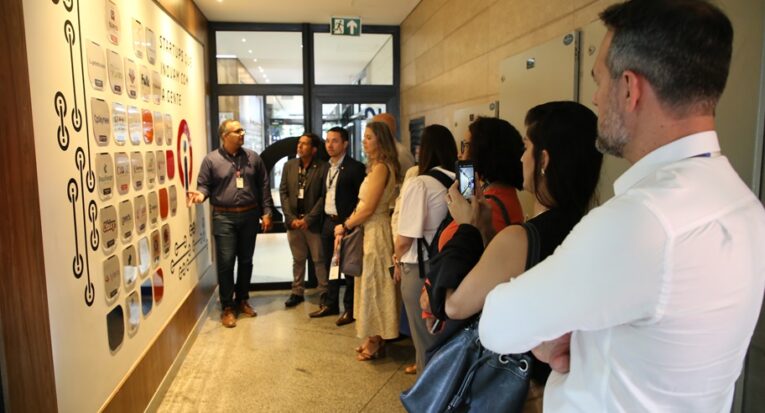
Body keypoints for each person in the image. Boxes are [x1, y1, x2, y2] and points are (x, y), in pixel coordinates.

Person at [479, 1, 765, 411]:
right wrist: (578, 333)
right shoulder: (746, 207)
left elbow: (498, 324)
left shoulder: (641, 221)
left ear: (630, 88)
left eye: (599, 80)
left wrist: (552, 333)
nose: (596, 98)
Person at [422, 102, 603, 406]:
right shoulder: (591, 227)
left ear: (543, 160)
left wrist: (466, 228)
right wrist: (485, 232)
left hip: (516, 389)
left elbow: (453, 305)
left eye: (527, 147)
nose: (521, 157)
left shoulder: (521, 237)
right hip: (567, 387)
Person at [187, 119, 274, 328]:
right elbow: (204, 185)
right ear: (224, 136)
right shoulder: (211, 160)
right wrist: (200, 195)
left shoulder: (253, 158)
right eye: (237, 131)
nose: (242, 133)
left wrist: (267, 212)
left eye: (242, 130)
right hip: (223, 217)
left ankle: (242, 299)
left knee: (246, 260)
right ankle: (227, 306)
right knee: (226, 262)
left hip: (249, 215)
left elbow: (263, 186)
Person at [334, 121, 401, 361]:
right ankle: (374, 335)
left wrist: (345, 225)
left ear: (381, 141)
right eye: (364, 137)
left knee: (375, 285)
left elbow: (369, 207)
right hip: (370, 229)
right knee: (370, 284)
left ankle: (376, 339)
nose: (364, 141)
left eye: (369, 137)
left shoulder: (382, 168)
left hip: (376, 231)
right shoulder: (376, 167)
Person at [393, 124, 458, 375]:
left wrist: (396, 258)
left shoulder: (419, 183)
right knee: (445, 338)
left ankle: (427, 390)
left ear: (424, 150)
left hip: (420, 268)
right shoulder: (460, 181)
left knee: (425, 341)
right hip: (452, 265)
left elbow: (405, 238)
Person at [437, 116, 525, 251]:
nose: (459, 154)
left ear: (483, 151)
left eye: (465, 145)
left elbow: (454, 248)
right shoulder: (506, 194)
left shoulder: (487, 208)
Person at [308, 127, 365, 325]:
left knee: (348, 269)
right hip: (327, 222)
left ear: (345, 144)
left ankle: (350, 309)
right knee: (329, 266)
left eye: (335, 141)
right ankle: (331, 304)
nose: (329, 145)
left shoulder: (355, 168)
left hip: (347, 224)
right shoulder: (326, 167)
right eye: (327, 141)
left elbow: (361, 200)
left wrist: (347, 223)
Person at [280, 133, 329, 308]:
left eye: (304, 144)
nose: (299, 146)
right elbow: (283, 193)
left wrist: (308, 219)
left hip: (312, 223)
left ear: (314, 149)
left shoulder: (323, 167)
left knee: (319, 259)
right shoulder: (289, 166)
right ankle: (297, 292)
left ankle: (324, 292)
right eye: (299, 143)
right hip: (294, 223)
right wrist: (290, 218)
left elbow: (323, 197)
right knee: (298, 259)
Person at [371, 112, 415, 177]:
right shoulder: (382, 152)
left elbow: (407, 180)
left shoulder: (400, 153)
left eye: (373, 129)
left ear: (383, 130)